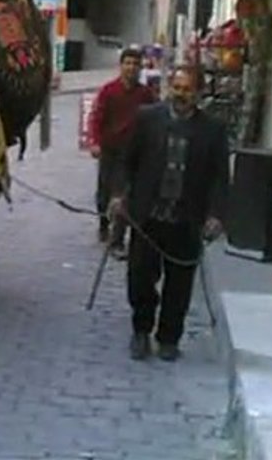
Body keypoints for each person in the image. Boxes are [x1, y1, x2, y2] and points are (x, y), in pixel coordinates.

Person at [110, 65, 229, 362]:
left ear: (198, 93)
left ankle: (169, 338)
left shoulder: (213, 130)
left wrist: (216, 215)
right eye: (177, 88)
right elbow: (127, 161)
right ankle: (141, 331)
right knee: (140, 278)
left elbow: (220, 178)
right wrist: (119, 194)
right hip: (147, 217)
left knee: (179, 284)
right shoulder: (147, 118)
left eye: (187, 89)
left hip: (186, 219)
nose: (180, 94)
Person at [87, 46, 154, 257]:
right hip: (110, 149)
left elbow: (154, 120)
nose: (131, 68)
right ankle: (103, 223)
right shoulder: (109, 91)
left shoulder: (146, 94)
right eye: (128, 63)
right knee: (104, 193)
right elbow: (96, 118)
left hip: (132, 153)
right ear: (121, 66)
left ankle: (117, 240)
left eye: (135, 64)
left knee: (124, 194)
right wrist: (94, 142)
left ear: (141, 68)